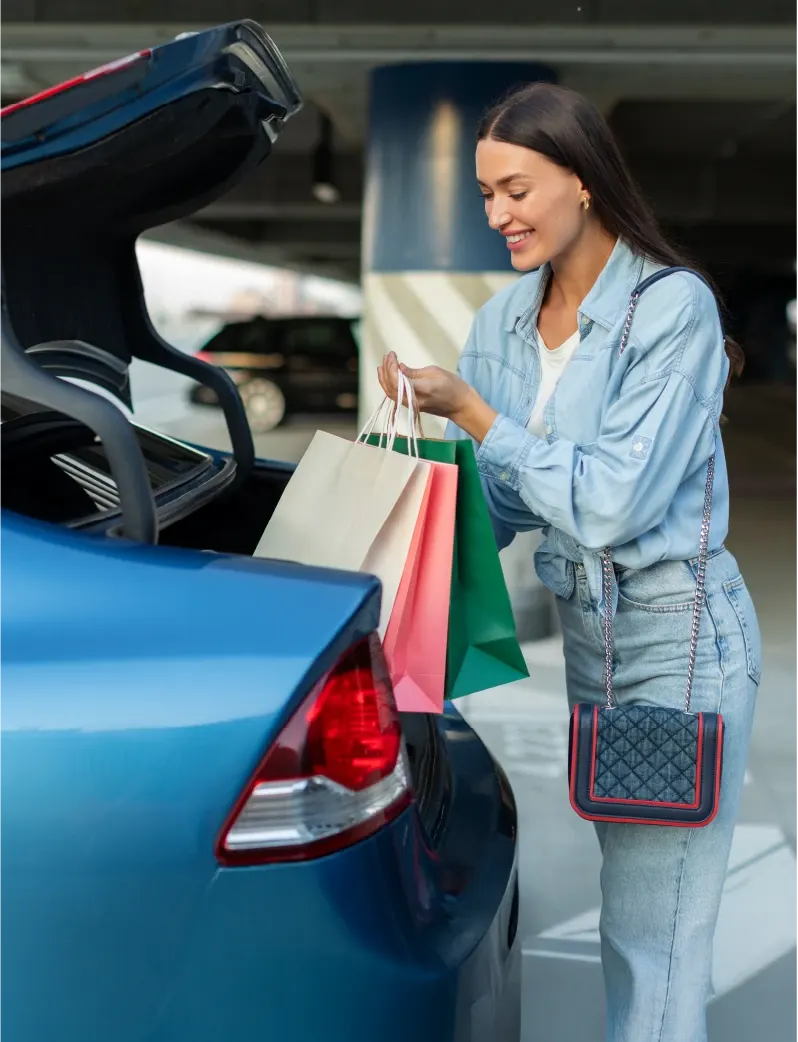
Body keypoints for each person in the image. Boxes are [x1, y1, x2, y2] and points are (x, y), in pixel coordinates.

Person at [377, 83, 761, 1042]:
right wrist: (414, 473)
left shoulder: (673, 311)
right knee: (636, 911)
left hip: (679, 648)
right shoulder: (503, 322)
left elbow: (612, 502)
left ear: (584, 182)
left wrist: (477, 416)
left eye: (517, 188)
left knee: (656, 937)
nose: (498, 213)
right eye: (484, 195)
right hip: (597, 647)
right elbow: (507, 504)